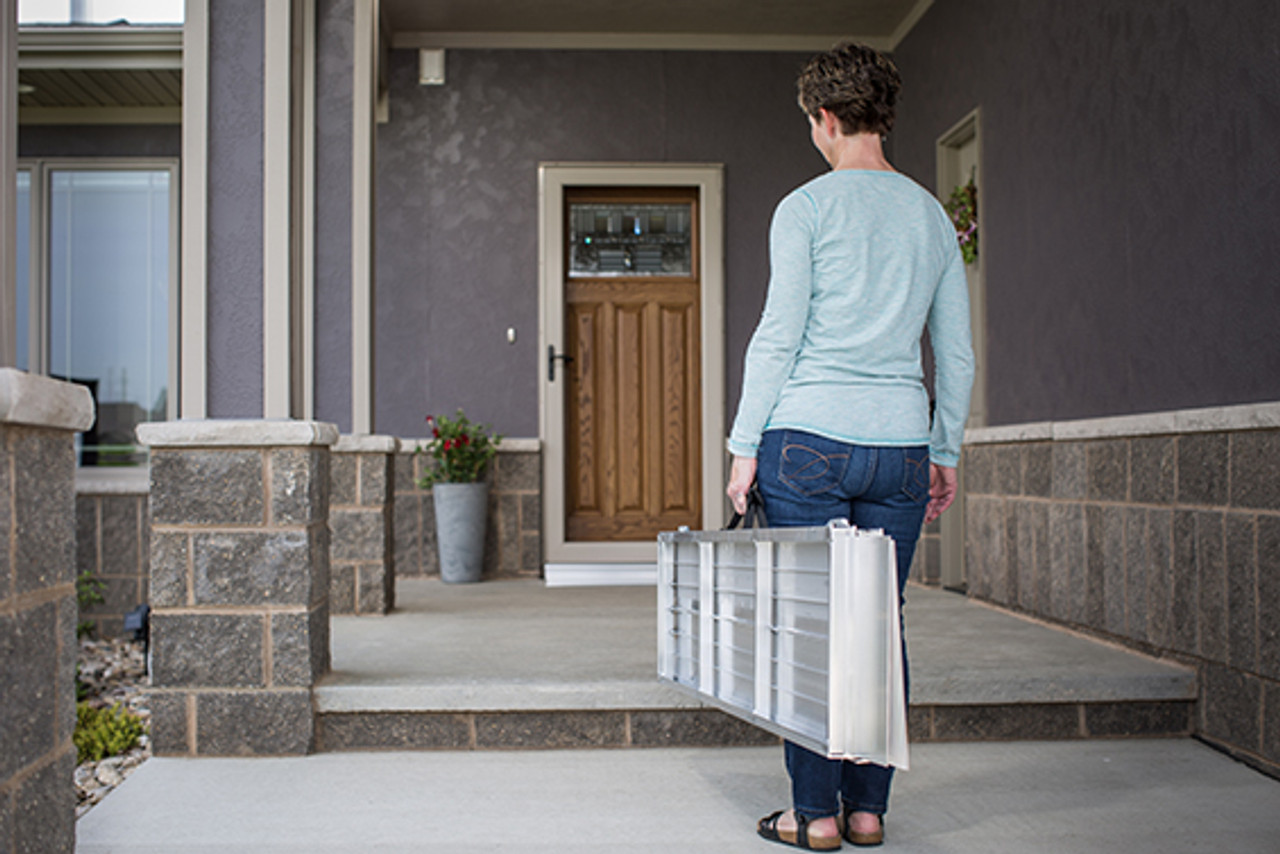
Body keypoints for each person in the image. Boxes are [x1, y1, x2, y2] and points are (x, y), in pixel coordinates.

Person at [726, 42, 974, 850]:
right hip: (900, 443)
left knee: (814, 628)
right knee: (879, 623)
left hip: (808, 439)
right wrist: (944, 452)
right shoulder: (933, 216)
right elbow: (958, 353)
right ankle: (870, 812)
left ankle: (816, 816)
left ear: (825, 117)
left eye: (812, 123)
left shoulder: (806, 208)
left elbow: (778, 336)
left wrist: (742, 444)